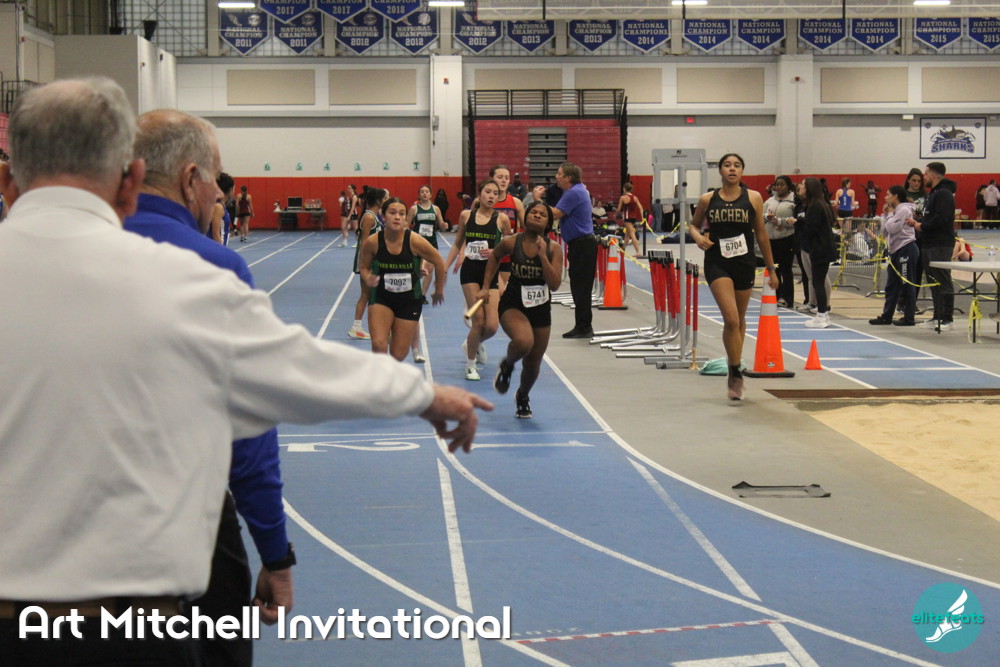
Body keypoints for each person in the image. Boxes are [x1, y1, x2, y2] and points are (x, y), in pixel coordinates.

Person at [0, 77, 491, 666]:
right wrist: (426, 395)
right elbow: (294, 373)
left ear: (7, 181)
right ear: (130, 184)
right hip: (133, 630)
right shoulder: (188, 277)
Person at [124, 109, 292, 666]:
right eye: (217, 180)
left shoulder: (54, 255)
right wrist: (275, 554)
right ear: (190, 177)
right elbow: (247, 432)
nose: (220, 194)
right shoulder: (214, 267)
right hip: (182, 519)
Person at [689, 153, 778, 400]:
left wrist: (771, 269)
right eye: (727, 165)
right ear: (720, 170)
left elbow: (761, 234)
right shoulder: (708, 199)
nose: (732, 169)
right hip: (718, 263)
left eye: (737, 165)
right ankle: (735, 372)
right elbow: (693, 225)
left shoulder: (754, 198)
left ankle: (735, 364)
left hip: (744, 263)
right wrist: (698, 237)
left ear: (742, 171)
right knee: (730, 319)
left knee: (739, 320)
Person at [478, 201, 563, 419]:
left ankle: (523, 395)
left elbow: (554, 284)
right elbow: (495, 257)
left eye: (542, 214)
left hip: (540, 308)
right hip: (513, 303)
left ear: (548, 223)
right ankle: (507, 365)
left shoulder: (553, 249)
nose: (537, 215)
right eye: (533, 212)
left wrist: (542, 257)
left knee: (533, 362)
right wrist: (486, 287)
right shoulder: (511, 242)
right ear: (526, 217)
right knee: (524, 342)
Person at [361, 196, 446, 361]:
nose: (397, 217)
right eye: (392, 213)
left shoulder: (414, 240)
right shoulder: (373, 242)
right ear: (383, 216)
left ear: (406, 219)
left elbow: (439, 262)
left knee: (398, 354)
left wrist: (439, 289)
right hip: (381, 298)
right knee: (379, 345)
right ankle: (381, 377)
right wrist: (367, 277)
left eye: (401, 214)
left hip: (409, 300)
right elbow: (363, 267)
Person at [444, 178, 512, 380]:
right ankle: (470, 366)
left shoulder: (502, 219)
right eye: (487, 192)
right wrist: (444, 268)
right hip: (470, 272)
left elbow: (508, 246)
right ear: (479, 193)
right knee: (479, 321)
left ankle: (471, 344)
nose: (491, 196)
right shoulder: (466, 216)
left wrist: (496, 251)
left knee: (491, 326)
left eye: (495, 193)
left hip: (490, 273)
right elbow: (457, 244)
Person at [907, 162, 957, 331]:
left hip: (940, 243)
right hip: (929, 242)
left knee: (942, 279)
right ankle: (938, 316)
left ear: (934, 175)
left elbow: (941, 218)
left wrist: (922, 226)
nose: (924, 177)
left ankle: (947, 319)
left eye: (926, 174)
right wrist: (918, 220)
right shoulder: (934, 193)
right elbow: (932, 217)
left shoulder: (944, 193)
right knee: (933, 281)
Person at [552, 163, 597, 339]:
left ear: (568, 178)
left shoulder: (574, 193)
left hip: (582, 245)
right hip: (579, 245)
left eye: (559, 174)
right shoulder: (574, 191)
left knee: (581, 287)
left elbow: (555, 214)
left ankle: (584, 326)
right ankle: (582, 325)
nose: (556, 177)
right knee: (578, 286)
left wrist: (537, 203)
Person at [869, 185, 919, 327]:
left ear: (895, 196)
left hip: (906, 249)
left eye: (888, 194)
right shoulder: (894, 212)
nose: (885, 197)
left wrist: (890, 215)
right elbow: (884, 232)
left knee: (907, 284)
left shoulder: (904, 210)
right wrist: (886, 215)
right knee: (892, 285)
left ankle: (909, 317)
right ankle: (886, 316)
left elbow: (893, 229)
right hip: (895, 251)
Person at [799, 177, 838, 330]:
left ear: (810, 188)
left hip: (820, 249)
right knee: (818, 281)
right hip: (822, 248)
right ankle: (823, 314)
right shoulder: (818, 204)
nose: (800, 187)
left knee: (818, 282)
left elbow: (811, 228)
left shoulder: (816, 205)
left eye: (803, 185)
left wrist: (801, 230)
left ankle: (821, 315)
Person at [348, 187, 387, 340]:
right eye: (385, 198)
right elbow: (364, 242)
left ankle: (360, 326)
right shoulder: (369, 217)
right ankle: (357, 327)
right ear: (378, 201)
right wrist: (366, 265)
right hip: (367, 260)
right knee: (367, 295)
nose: (387, 201)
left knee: (370, 295)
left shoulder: (375, 216)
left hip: (374, 259)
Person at [763, 175, 797, 308]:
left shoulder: (794, 201)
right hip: (771, 240)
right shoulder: (770, 201)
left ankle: (787, 298)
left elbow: (796, 221)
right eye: (777, 185)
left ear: (788, 186)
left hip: (786, 239)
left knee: (786, 269)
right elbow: (760, 216)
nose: (779, 187)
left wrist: (780, 221)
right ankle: (775, 295)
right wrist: (767, 217)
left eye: (782, 184)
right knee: (774, 268)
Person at [615, 182, 644, 255]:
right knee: (627, 235)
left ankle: (638, 251)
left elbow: (619, 209)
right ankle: (623, 249)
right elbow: (641, 208)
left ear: (624, 189)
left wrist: (616, 214)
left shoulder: (623, 197)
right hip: (633, 218)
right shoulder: (635, 197)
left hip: (627, 218)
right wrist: (642, 218)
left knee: (632, 234)